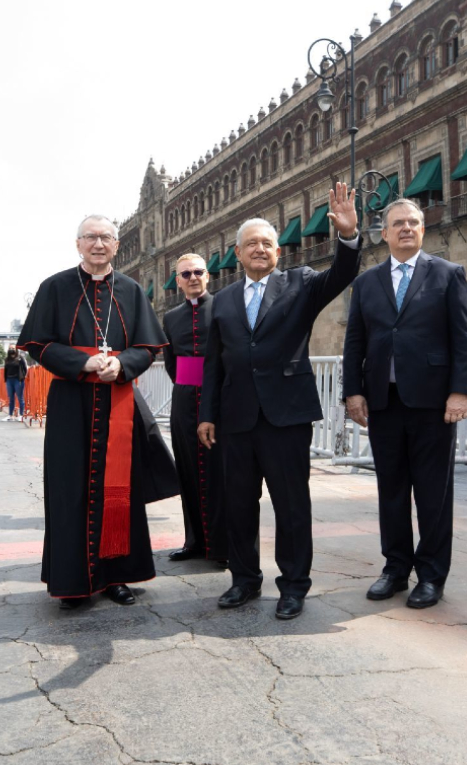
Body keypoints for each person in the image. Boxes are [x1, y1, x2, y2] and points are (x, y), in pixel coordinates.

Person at [199, 183, 362, 620]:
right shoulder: (222, 301)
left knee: (291, 505)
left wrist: (348, 238)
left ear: (277, 251)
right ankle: (244, 580)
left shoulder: (301, 283)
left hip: (286, 416)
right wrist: (206, 415)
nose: (259, 249)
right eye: (251, 244)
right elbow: (212, 363)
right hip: (235, 419)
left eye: (267, 244)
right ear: (237, 253)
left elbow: (342, 276)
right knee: (238, 503)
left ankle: (293, 586)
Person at [18, 214, 179, 609]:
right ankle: (72, 580)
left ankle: (118, 577)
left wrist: (122, 364)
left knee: (119, 489)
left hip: (117, 400)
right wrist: (83, 363)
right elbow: (38, 346)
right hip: (71, 403)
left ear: (116, 245)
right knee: (69, 488)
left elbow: (147, 348)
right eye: (90, 237)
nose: (98, 244)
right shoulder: (54, 287)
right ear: (78, 244)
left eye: (106, 237)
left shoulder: (132, 290)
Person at [343, 198, 467, 610]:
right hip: (384, 402)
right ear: (383, 234)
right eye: (397, 223)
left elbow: (464, 338)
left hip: (433, 403)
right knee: (392, 489)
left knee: (433, 492)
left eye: (413, 223)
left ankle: (431, 576)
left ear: (423, 230)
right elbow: (355, 342)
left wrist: (460, 391)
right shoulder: (366, 283)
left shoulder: (448, 274)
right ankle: (395, 568)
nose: (405, 228)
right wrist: (353, 392)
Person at [162, 253, 227, 566]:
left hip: (220, 400)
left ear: (208, 275)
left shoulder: (224, 306)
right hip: (185, 399)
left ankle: (223, 545)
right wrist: (189, 386)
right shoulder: (171, 318)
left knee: (221, 473)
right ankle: (194, 541)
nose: (192, 278)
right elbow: (172, 364)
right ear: (178, 280)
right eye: (185, 274)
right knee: (188, 470)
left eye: (198, 272)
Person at [3, 348, 27, 419]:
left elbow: (25, 368)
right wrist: (6, 379)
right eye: (10, 348)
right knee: (11, 398)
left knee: (20, 397)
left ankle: (21, 415)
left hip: (18, 379)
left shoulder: (20, 358)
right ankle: (10, 415)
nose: (12, 350)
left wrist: (23, 377)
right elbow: (6, 369)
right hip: (9, 379)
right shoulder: (7, 359)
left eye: (13, 348)